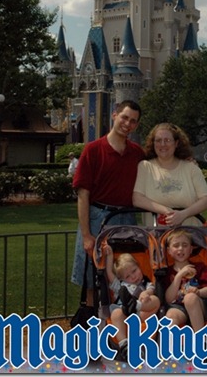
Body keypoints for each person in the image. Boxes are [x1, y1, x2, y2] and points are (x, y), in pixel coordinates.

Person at [71, 100, 145, 304]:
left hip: (126, 219)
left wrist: (186, 160)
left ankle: (119, 324)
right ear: (114, 115)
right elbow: (83, 195)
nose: (127, 124)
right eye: (124, 117)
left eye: (133, 121)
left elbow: (162, 165)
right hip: (98, 218)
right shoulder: (93, 150)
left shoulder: (137, 154)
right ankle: (92, 324)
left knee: (126, 272)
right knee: (92, 276)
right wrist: (87, 235)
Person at [132, 123, 207, 227]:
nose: (163, 144)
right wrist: (167, 211)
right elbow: (137, 199)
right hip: (156, 237)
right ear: (153, 143)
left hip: (188, 236)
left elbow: (206, 200)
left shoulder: (191, 168)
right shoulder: (145, 167)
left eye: (167, 140)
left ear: (176, 143)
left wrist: (183, 215)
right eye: (158, 140)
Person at [103, 242, 160, 360]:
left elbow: (151, 289)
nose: (133, 277)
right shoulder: (121, 285)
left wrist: (146, 293)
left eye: (134, 271)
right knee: (115, 313)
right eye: (128, 276)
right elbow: (109, 273)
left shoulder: (145, 283)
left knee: (155, 300)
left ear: (139, 266)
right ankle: (124, 344)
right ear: (122, 278)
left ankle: (136, 305)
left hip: (141, 313)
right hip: (124, 313)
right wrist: (109, 256)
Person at [163, 229, 207, 332]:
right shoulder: (167, 272)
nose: (180, 249)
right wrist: (179, 275)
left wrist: (199, 292)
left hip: (199, 306)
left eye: (185, 245)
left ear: (191, 249)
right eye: (176, 245)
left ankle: (199, 339)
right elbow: (169, 299)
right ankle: (170, 345)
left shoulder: (199, 267)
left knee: (190, 298)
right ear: (169, 250)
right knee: (170, 316)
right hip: (179, 307)